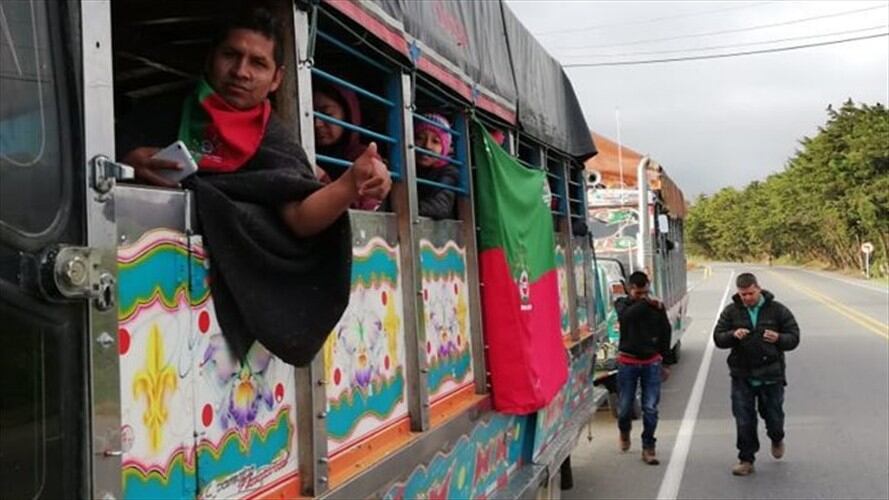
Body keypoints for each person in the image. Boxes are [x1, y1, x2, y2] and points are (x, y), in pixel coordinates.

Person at [116, 7, 391, 366]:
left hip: (208, 342)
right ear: (211, 58)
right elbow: (96, 162)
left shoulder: (275, 140)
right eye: (231, 55)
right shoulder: (161, 114)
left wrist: (351, 182)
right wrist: (128, 161)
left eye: (258, 63)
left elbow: (298, 218)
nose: (241, 72)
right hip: (137, 302)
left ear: (276, 79)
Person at [713, 272, 800, 476]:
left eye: (750, 294)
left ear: (758, 288)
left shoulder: (778, 311)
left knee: (773, 416)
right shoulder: (731, 312)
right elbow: (718, 338)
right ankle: (746, 459)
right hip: (742, 373)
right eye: (743, 295)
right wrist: (732, 335)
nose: (747, 298)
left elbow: (794, 337)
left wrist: (779, 338)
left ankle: (776, 437)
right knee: (744, 418)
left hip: (771, 374)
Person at [614, 271, 672, 465]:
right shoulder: (623, 304)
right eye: (638, 293)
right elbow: (626, 318)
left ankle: (648, 446)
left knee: (650, 407)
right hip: (627, 362)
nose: (642, 296)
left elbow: (666, 333)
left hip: (651, 362)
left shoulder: (656, 307)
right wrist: (645, 303)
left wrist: (666, 362)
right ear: (630, 290)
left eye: (645, 292)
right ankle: (624, 429)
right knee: (624, 407)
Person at [311, 80, 380, 210]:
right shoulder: (307, 153)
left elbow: (364, 213)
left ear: (348, 115)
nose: (317, 123)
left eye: (326, 114)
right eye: (312, 114)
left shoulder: (363, 157)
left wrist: (322, 179)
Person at [414, 113, 460, 220]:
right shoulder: (408, 166)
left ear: (445, 148)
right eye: (420, 138)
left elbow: (441, 206)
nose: (427, 146)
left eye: (435, 141)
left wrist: (408, 208)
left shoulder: (449, 171)